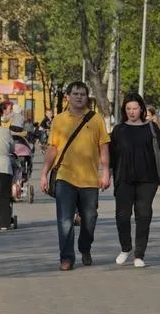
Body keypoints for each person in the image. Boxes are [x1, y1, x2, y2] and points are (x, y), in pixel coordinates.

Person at [39, 81, 111, 271]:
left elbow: (103, 147)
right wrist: (44, 173)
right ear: (68, 97)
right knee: (65, 220)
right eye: (75, 94)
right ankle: (66, 257)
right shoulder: (59, 120)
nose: (79, 97)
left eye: (82, 94)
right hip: (64, 177)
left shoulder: (96, 120)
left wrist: (106, 172)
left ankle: (85, 247)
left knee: (90, 218)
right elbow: (52, 148)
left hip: (89, 179)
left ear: (87, 97)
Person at [109, 93, 160, 268]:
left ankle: (139, 254)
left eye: (135, 108)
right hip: (124, 178)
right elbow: (111, 156)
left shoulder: (151, 128)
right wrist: (106, 174)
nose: (132, 112)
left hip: (148, 179)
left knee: (143, 215)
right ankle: (126, 247)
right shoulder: (118, 130)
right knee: (122, 215)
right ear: (124, 110)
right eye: (128, 109)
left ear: (142, 109)